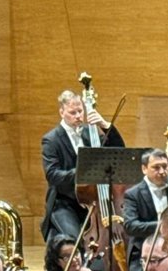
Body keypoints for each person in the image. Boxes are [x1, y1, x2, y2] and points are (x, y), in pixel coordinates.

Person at [40, 89, 126, 241]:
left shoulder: (90, 132)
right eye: (72, 112)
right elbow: (52, 175)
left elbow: (118, 150)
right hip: (65, 203)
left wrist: (104, 124)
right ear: (62, 112)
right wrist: (83, 172)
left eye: (80, 111)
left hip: (93, 202)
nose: (78, 116)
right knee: (76, 241)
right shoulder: (51, 140)